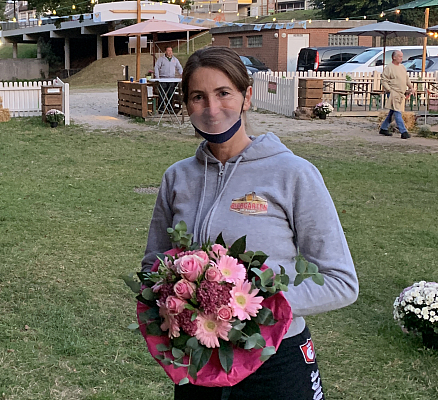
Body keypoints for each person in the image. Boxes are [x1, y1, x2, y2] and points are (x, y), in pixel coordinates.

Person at [142, 46, 358, 400]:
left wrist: (251, 308)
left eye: (223, 93)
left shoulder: (293, 174)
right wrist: (174, 301)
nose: (212, 109)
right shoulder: (176, 178)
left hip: (276, 362)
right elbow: (153, 264)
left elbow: (341, 282)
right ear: (186, 105)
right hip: (199, 362)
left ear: (247, 98)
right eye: (198, 97)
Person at [379, 50, 415, 139]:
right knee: (398, 112)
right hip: (393, 93)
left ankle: (383, 128)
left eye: (402, 56)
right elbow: (383, 80)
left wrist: (411, 87)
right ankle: (403, 131)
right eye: (399, 56)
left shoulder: (402, 67)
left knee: (392, 112)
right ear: (394, 57)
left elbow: (406, 79)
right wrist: (389, 90)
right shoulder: (389, 68)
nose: (401, 58)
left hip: (400, 93)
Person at [154, 46, 183, 113]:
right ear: (165, 52)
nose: (170, 52)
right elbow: (156, 68)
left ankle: (170, 109)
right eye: (168, 50)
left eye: (171, 50)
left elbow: (179, 67)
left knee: (171, 94)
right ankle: (161, 109)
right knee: (162, 94)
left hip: (172, 79)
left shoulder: (175, 59)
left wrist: (182, 74)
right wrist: (157, 77)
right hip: (163, 79)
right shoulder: (161, 59)